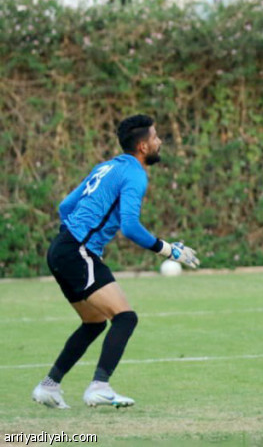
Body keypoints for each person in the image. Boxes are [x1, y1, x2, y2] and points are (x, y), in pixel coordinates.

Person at [32, 115, 200, 409]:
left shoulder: (106, 166)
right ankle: (99, 387)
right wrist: (169, 250)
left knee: (94, 322)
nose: (160, 141)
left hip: (62, 248)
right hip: (77, 251)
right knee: (125, 317)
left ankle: (49, 386)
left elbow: (65, 206)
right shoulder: (135, 174)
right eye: (156, 137)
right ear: (143, 146)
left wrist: (73, 240)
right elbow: (130, 227)